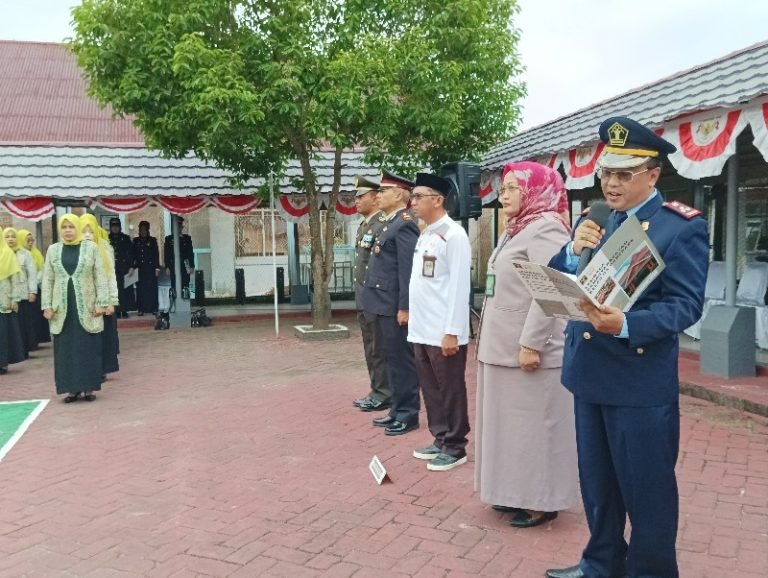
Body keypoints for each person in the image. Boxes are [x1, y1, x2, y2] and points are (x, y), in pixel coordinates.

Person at [545, 117, 709, 578]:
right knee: (597, 486)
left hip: (638, 383)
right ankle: (600, 563)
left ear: (652, 174)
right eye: (606, 174)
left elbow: (685, 306)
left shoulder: (678, 228)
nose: (611, 184)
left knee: (647, 492)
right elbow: (565, 274)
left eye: (623, 175)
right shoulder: (595, 218)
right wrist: (574, 251)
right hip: (587, 374)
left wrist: (627, 324)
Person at [474, 162, 578, 527]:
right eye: (502, 189)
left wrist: (532, 343)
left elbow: (552, 287)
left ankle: (541, 500)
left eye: (512, 188)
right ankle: (509, 492)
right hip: (501, 344)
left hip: (528, 348)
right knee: (509, 428)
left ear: (535, 190)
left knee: (535, 428)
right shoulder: (516, 229)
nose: (503, 195)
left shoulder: (546, 227)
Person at [407, 172, 472, 472]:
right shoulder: (426, 233)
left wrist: (452, 333)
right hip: (422, 329)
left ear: (438, 199)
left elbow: (460, 287)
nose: (413, 202)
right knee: (431, 388)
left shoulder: (454, 235)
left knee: (450, 388)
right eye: (413, 197)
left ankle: (456, 445)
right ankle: (440, 437)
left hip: (443, 331)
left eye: (419, 196)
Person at [362, 170, 421, 436]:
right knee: (390, 358)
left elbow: (406, 270)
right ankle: (396, 409)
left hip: (393, 305)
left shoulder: (405, 222)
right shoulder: (389, 222)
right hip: (381, 302)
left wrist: (405, 307)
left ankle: (408, 413)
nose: (379, 195)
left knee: (401, 361)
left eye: (384, 191)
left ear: (398, 194)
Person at [41, 214, 110, 403]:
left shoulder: (91, 248)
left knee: (87, 346)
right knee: (66, 350)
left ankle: (88, 388)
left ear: (78, 228)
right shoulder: (53, 250)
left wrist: (101, 303)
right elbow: (48, 279)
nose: (68, 231)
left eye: (72, 227)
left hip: (87, 307)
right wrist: (46, 305)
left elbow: (100, 276)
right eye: (64, 227)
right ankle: (71, 389)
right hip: (62, 309)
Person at [351, 175, 392, 412]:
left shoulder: (381, 225)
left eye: (361, 196)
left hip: (376, 300)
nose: (356, 200)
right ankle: (377, 390)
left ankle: (384, 392)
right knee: (370, 347)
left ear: (376, 198)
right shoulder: (365, 225)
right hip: (364, 299)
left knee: (379, 348)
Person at [81, 214, 120, 376]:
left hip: (103, 299)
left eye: (91, 231)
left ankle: (103, 368)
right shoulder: (77, 249)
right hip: (85, 301)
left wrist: (111, 301)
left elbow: (111, 275)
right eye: (84, 231)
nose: (88, 235)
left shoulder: (104, 247)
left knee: (104, 336)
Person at [4, 227, 39, 357]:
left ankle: (24, 349)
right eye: (7, 237)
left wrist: (32, 291)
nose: (11, 239)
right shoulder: (3, 254)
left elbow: (32, 273)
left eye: (13, 236)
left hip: (23, 295)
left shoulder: (25, 254)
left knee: (23, 324)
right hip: (7, 296)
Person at [17, 229, 50, 344]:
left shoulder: (36, 253)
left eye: (32, 240)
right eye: (28, 241)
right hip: (24, 290)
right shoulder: (19, 254)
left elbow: (41, 268)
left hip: (36, 288)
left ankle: (39, 337)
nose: (30, 243)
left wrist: (35, 282)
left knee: (36, 316)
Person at [0, 228, 25, 374]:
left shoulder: (7, 253)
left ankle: (2, 363)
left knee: (3, 334)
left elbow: (15, 279)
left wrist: (15, 298)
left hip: (4, 299)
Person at [108, 217, 136, 318]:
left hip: (124, 269)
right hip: (111, 269)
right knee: (114, 290)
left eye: (117, 226)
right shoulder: (107, 239)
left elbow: (131, 253)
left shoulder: (126, 238)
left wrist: (132, 266)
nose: (115, 228)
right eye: (113, 226)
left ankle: (124, 311)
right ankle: (116, 310)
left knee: (125, 291)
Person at [132, 220, 160, 316]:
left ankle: (154, 308)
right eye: (141, 229)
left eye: (145, 229)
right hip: (140, 269)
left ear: (148, 230)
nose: (143, 231)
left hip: (151, 269)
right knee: (140, 290)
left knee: (152, 289)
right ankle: (141, 309)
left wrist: (157, 268)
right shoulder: (135, 241)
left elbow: (156, 254)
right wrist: (133, 267)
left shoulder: (152, 240)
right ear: (139, 230)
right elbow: (133, 255)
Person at [164, 216, 195, 299]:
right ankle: (175, 304)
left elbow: (190, 253)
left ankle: (185, 303)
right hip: (173, 265)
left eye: (180, 226)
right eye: (176, 226)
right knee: (174, 284)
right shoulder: (169, 239)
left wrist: (192, 266)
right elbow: (166, 253)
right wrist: (167, 266)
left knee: (185, 285)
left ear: (182, 227)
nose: (178, 228)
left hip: (185, 266)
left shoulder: (187, 239)